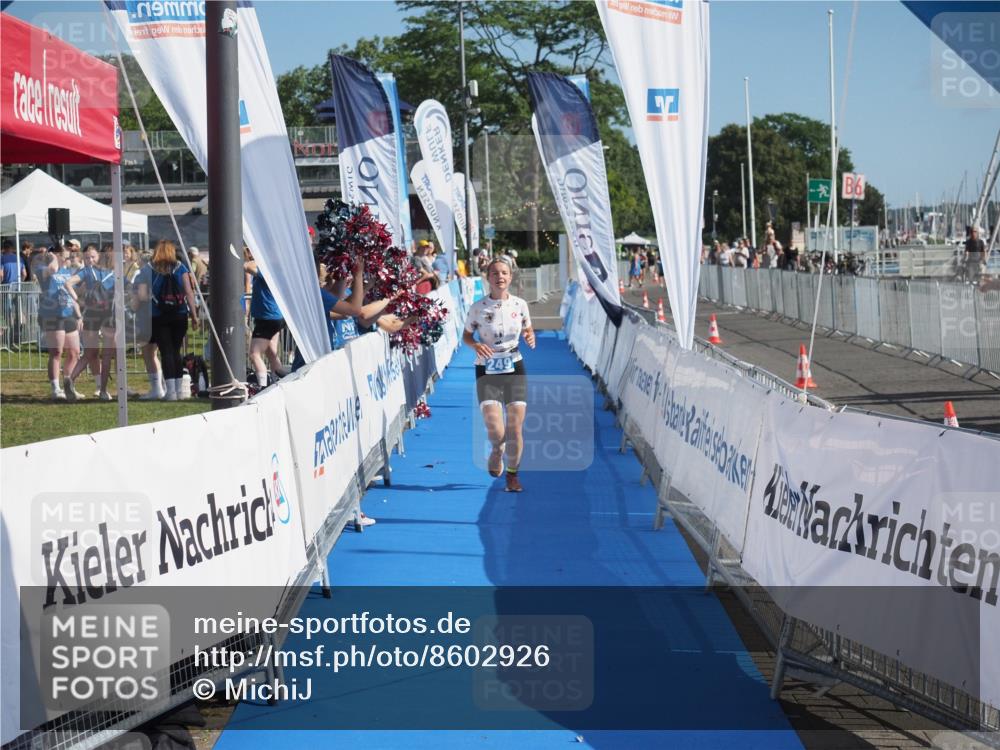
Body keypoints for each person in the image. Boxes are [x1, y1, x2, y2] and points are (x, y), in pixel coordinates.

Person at [462, 257, 536, 493]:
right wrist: (475, 345)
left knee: (515, 429)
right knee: (497, 431)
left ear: (510, 277)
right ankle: (497, 450)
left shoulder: (520, 305)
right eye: (495, 273)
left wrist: (529, 336)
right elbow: (466, 336)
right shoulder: (477, 307)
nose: (500, 277)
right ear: (488, 278)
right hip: (487, 368)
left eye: (504, 273)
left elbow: (527, 327)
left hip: (514, 366)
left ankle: (513, 476)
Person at [134, 240, 199, 401]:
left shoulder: (148, 269)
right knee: (176, 351)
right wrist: (194, 315)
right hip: (180, 314)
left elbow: (141, 296)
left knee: (166, 351)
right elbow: (189, 292)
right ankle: (178, 390)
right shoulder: (181, 267)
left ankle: (169, 391)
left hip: (158, 315)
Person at [65, 245, 115, 400]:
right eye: (87, 257)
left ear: (98, 257)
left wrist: (77, 298)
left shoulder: (88, 272)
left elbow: (68, 284)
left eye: (92, 257)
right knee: (103, 354)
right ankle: (103, 391)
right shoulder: (109, 272)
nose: (90, 260)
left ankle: (70, 380)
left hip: (93, 314)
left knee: (89, 353)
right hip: (107, 314)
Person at [36, 251, 82, 400]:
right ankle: (55, 388)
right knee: (56, 352)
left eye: (67, 256)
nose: (67, 258)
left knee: (75, 352)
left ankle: (68, 385)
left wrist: (79, 315)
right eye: (63, 255)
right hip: (52, 315)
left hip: (68, 314)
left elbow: (70, 294)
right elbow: (53, 269)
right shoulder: (42, 269)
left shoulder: (67, 272)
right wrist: (54, 258)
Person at [245, 253, 289, 388]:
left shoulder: (271, 271)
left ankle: (263, 387)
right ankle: (280, 384)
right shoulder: (273, 270)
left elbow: (247, 266)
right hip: (273, 317)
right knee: (271, 353)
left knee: (254, 354)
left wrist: (259, 258)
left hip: (268, 318)